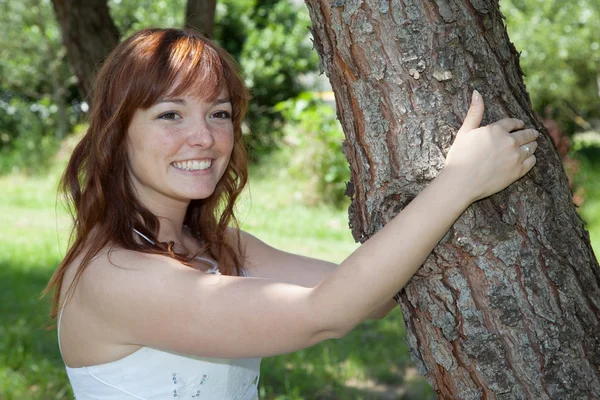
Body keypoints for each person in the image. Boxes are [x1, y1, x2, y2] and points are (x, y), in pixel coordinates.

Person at [44, 28, 539, 400]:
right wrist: (457, 185)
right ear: (116, 133)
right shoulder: (115, 276)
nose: (205, 137)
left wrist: (443, 184)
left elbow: (373, 299)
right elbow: (325, 315)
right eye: (170, 114)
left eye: (219, 113)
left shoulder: (218, 245)